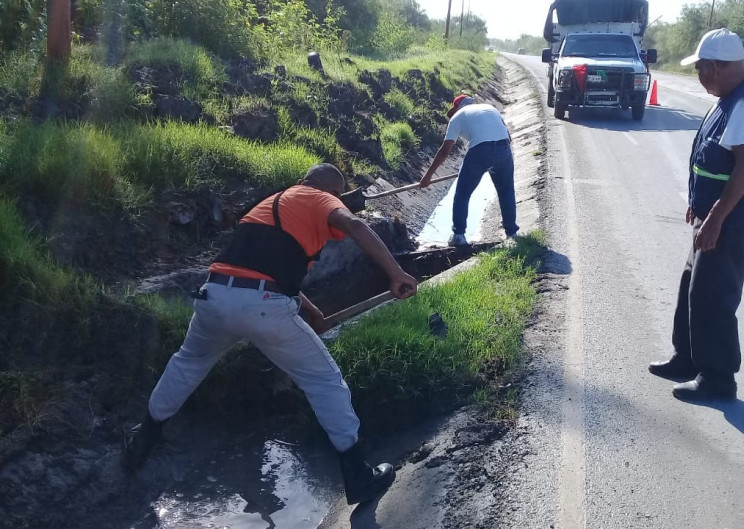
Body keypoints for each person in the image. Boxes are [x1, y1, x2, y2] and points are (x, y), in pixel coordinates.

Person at [123, 163, 418, 505]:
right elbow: (353, 224)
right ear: (331, 193)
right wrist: (396, 273)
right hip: (261, 305)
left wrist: (313, 311)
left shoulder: (271, 205)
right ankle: (358, 475)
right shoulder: (319, 198)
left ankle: (140, 445)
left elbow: (264, 269)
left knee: (187, 364)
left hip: (214, 296)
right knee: (324, 379)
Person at [648, 28, 744, 401]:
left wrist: (717, 218)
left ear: (718, 67)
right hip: (715, 212)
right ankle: (687, 358)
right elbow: (713, 160)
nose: (699, 77)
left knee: (714, 295)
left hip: (732, 219)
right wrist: (700, 203)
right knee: (692, 284)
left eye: (701, 69)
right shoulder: (727, 98)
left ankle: (719, 378)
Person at [419, 94, 519, 246]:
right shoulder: (490, 108)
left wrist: (427, 176)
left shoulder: (457, 117)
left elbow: (445, 150)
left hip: (479, 151)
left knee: (462, 194)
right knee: (506, 192)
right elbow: (508, 137)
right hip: (503, 148)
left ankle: (459, 235)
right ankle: (512, 233)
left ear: (458, 108)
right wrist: (492, 161)